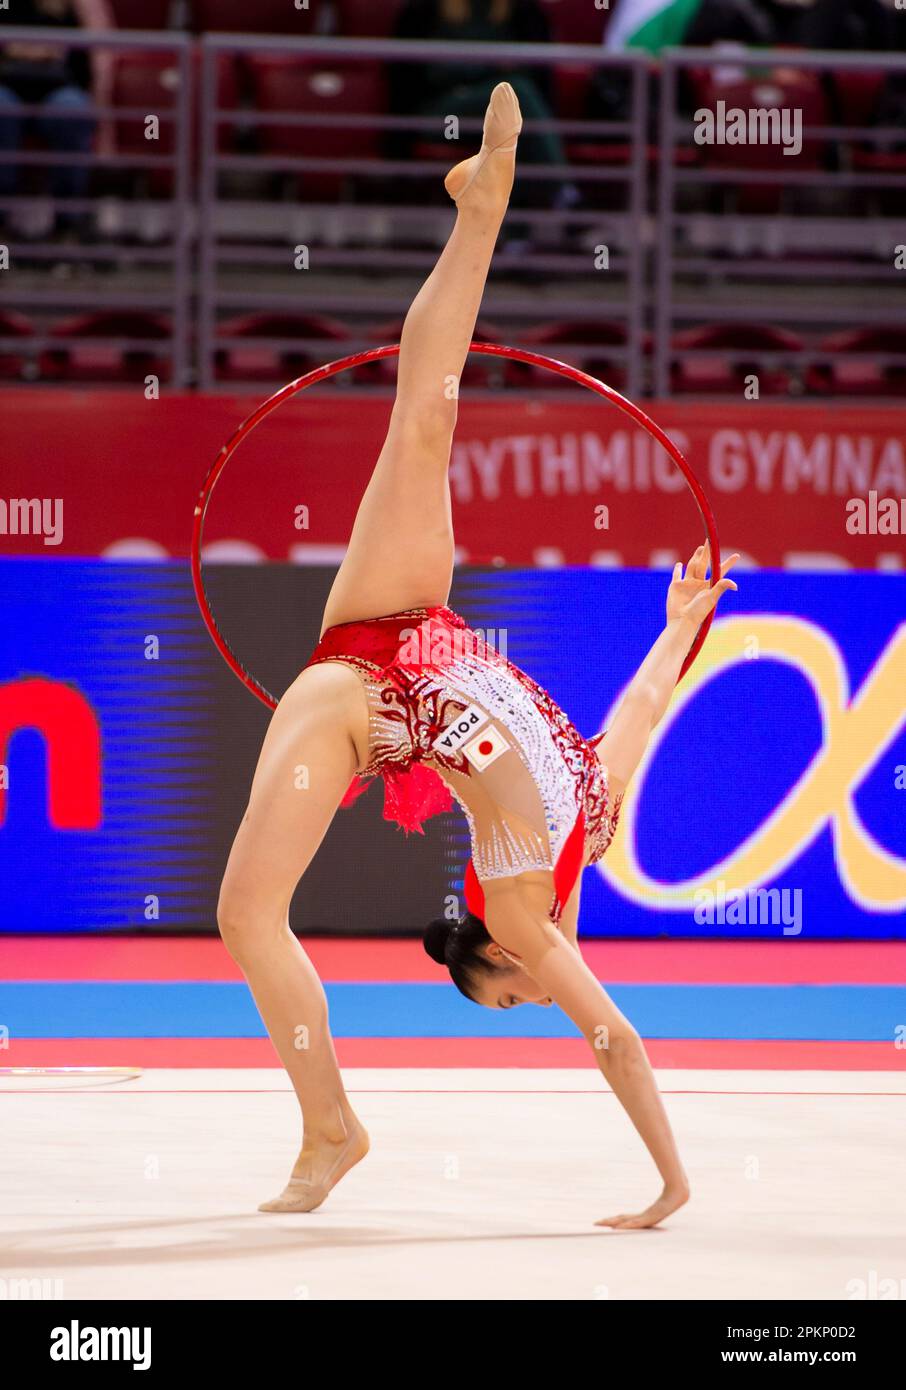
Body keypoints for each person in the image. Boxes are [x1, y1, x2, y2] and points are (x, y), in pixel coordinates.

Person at [216, 84, 739, 1227]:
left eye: (517, 1004)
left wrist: (680, 633)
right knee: (423, 413)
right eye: (520, 1004)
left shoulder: (560, 858)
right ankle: (480, 208)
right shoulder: (556, 873)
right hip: (379, 672)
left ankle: (332, 1129)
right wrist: (670, 1182)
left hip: (376, 676)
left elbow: (646, 706)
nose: (534, 997)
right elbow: (614, 1035)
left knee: (423, 413)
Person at [388, 0, 577, 210]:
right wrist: (493, 68)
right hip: (444, 116)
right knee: (517, 95)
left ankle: (514, 236)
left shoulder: (524, 11)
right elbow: (427, 74)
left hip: (500, 115)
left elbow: (537, 73)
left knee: (511, 120)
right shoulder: (423, 10)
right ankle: (563, 194)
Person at [0, 0, 114, 233]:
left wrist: (54, 52)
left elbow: (94, 61)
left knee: (72, 110)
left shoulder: (82, 6)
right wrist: (13, 49)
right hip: (7, 84)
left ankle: (67, 221)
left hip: (61, 85)